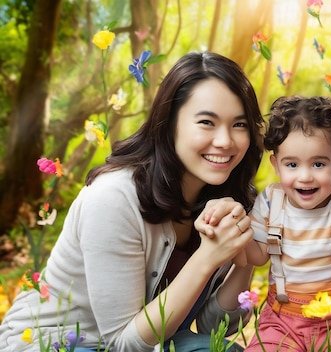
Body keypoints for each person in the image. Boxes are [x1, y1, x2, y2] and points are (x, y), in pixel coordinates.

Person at [0, 51, 265, 352]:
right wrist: (207, 257)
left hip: (153, 343)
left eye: (239, 125)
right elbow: (122, 344)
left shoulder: (226, 199)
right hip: (57, 342)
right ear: (169, 123)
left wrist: (247, 254)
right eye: (206, 122)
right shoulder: (113, 198)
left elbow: (214, 329)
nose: (225, 141)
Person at [242, 96, 331, 351]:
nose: (305, 176)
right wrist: (237, 234)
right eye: (292, 164)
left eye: (319, 164)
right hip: (281, 320)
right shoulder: (270, 201)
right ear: (276, 165)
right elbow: (257, 256)